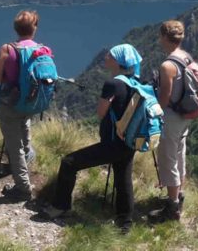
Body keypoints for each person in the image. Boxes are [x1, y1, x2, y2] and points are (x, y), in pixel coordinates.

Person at [43, 44, 143, 233]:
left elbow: (100, 113)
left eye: (110, 55)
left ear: (118, 61)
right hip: (129, 142)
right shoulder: (137, 82)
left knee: (69, 162)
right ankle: (125, 223)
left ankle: (60, 206)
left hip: (112, 143)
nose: (106, 56)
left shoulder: (113, 85)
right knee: (123, 179)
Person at [0, 10, 42, 201]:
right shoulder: (40, 49)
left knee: (14, 146)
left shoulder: (7, 49)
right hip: (31, 102)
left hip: (10, 103)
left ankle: (23, 188)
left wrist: (10, 79)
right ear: (34, 28)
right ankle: (28, 158)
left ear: (16, 28)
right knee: (24, 128)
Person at [149, 20, 192, 223]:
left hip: (171, 117)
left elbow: (164, 98)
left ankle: (172, 207)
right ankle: (179, 195)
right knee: (179, 155)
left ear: (164, 38)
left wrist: (153, 110)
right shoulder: (186, 57)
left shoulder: (168, 65)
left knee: (168, 160)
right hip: (185, 115)